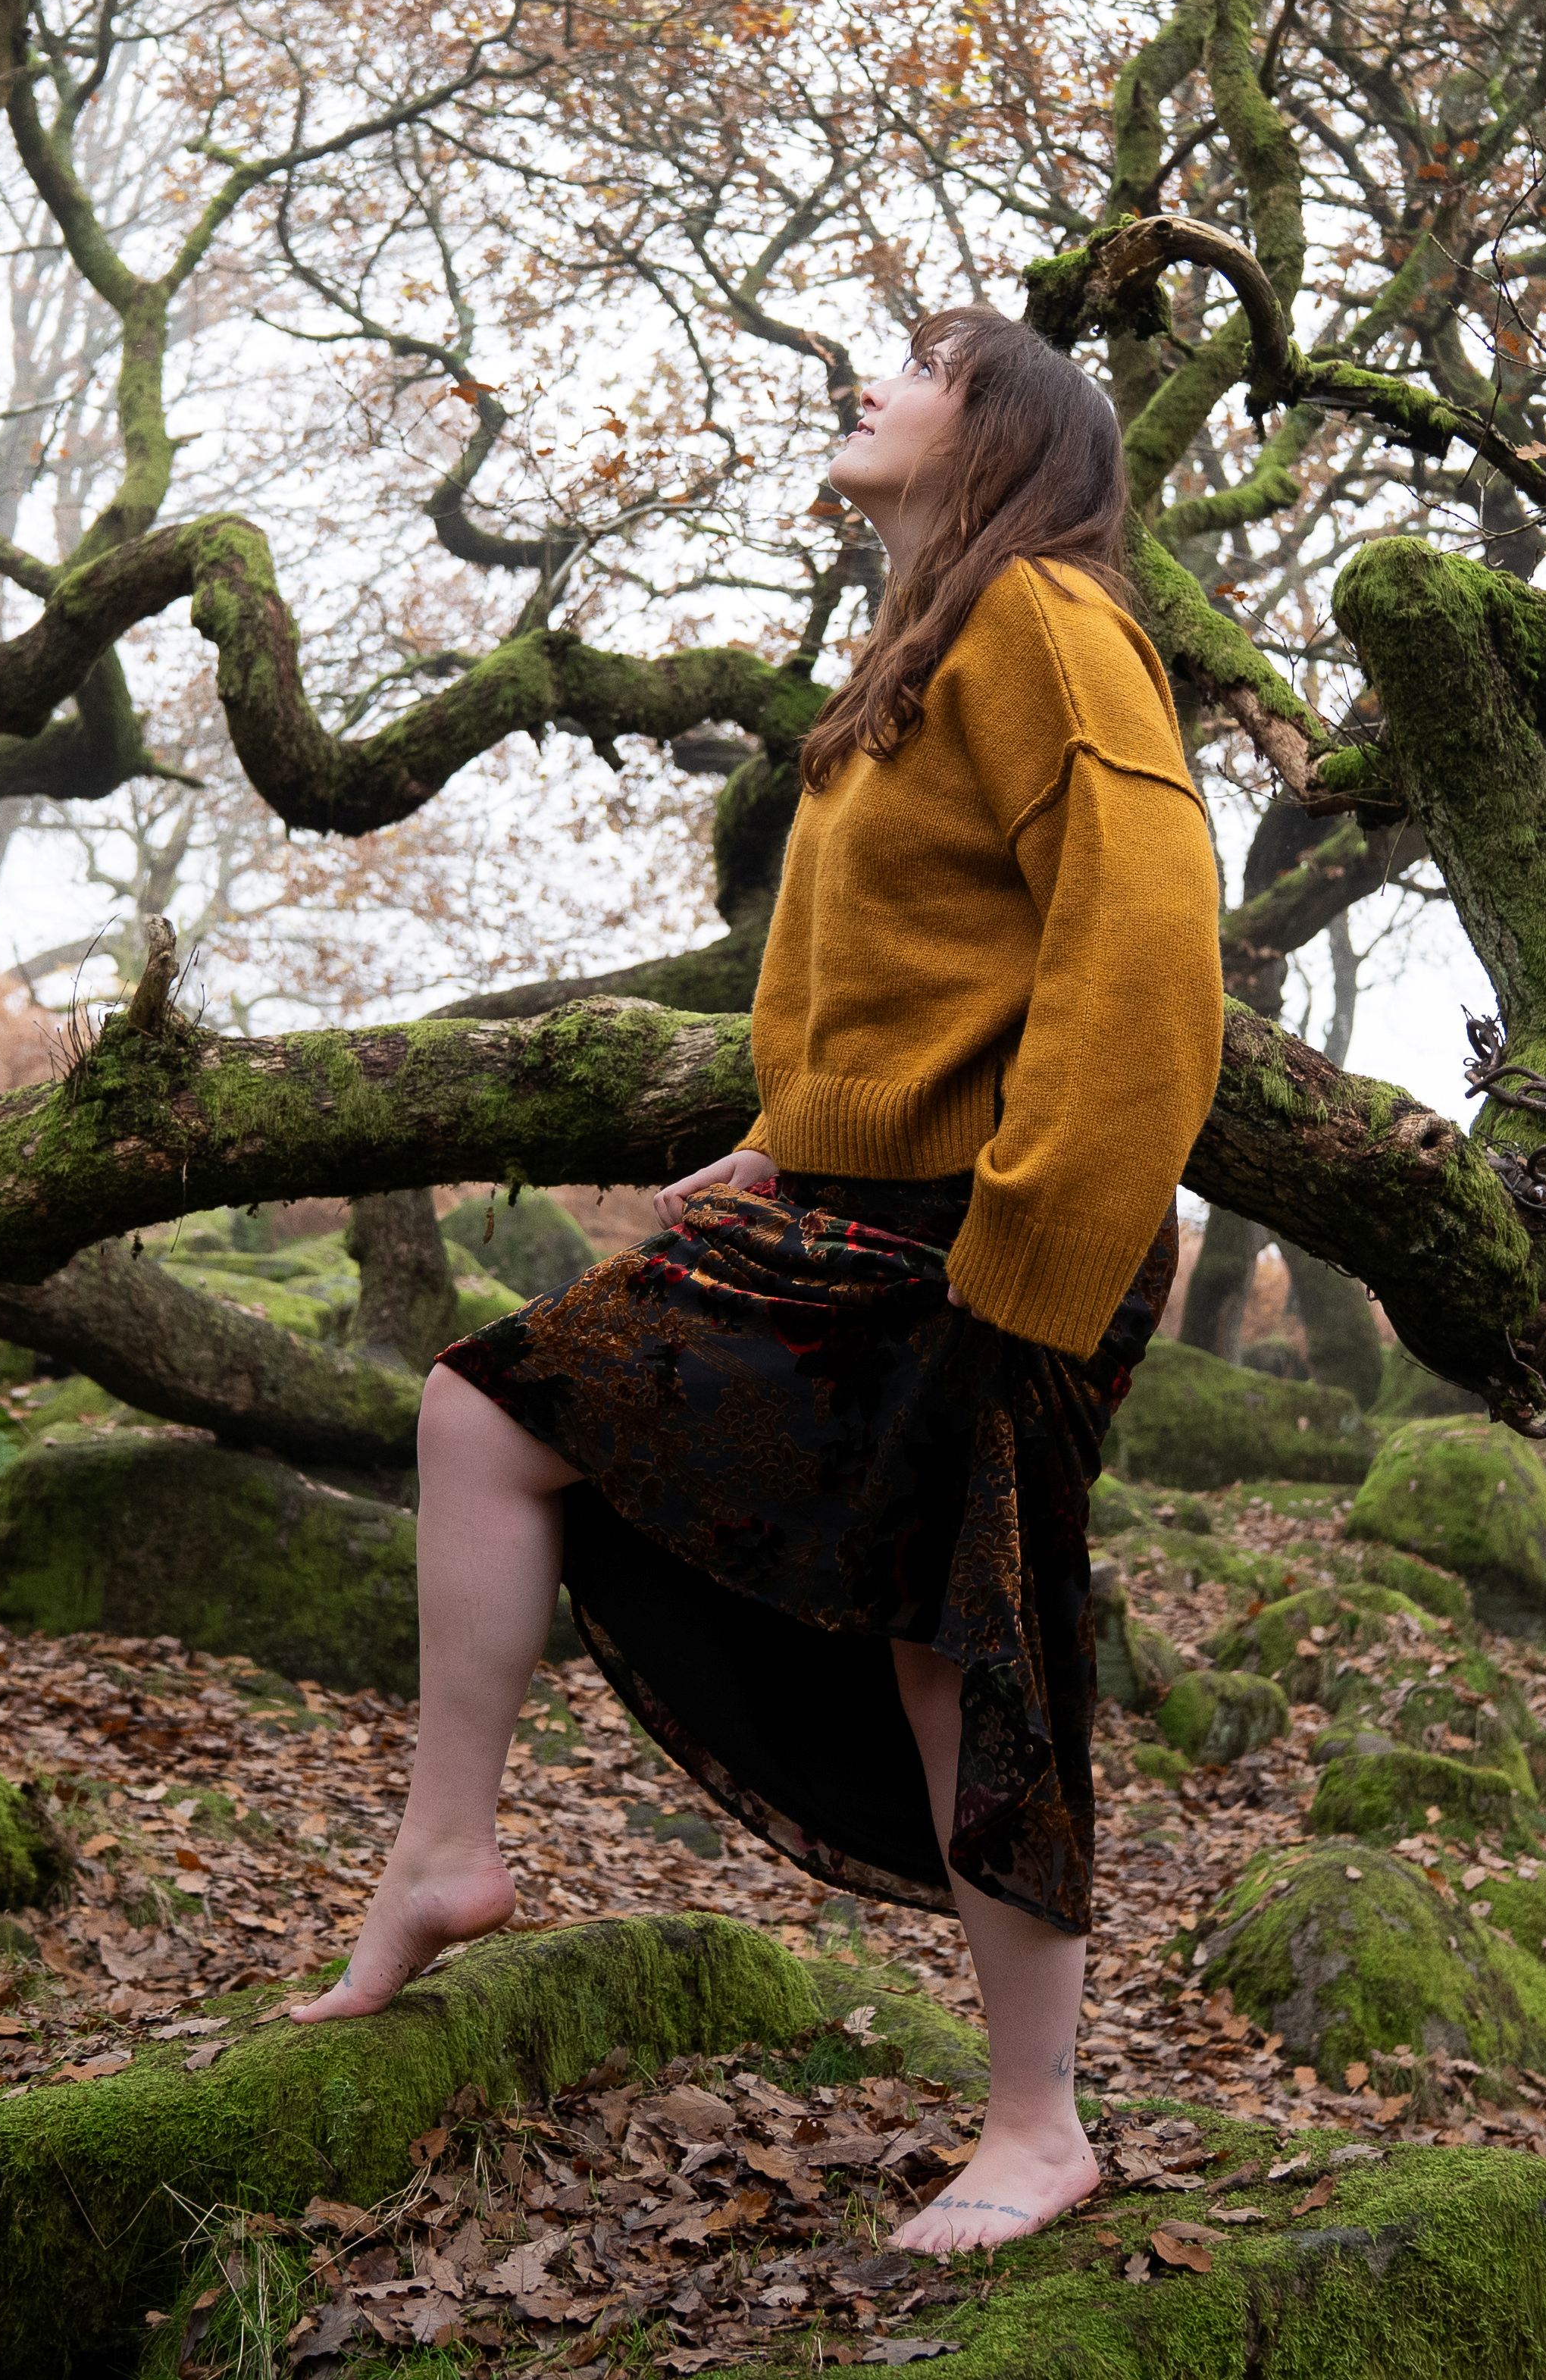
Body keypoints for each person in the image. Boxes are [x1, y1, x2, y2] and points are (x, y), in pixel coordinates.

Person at [284, 304, 1226, 2259]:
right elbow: (900, 972)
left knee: (968, 1643)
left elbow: (1145, 953)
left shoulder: (1052, 617)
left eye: (922, 365)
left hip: (995, 1232)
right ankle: (443, 1855)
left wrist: (1027, 1260)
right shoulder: (919, 650)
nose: (868, 383)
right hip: (874, 1203)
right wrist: (792, 1133)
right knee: (492, 1413)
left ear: (1003, 428)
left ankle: (1039, 2127)